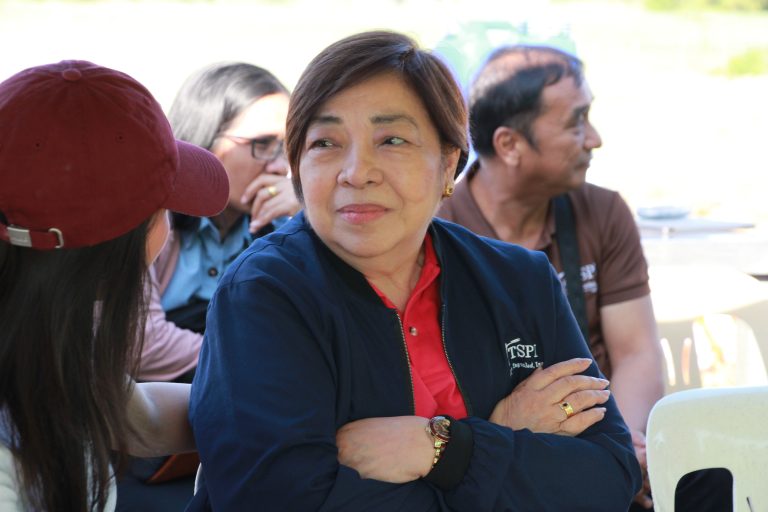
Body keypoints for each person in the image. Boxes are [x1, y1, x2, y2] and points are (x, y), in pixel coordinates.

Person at [188, 31, 642, 511]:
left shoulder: (520, 281)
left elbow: (609, 477)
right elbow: (280, 502)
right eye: (325, 142)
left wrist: (439, 447)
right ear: (297, 167)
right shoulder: (263, 294)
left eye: (392, 140)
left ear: (448, 164)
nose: (356, 171)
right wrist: (496, 441)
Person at [436, 44, 729, 511]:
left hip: (604, 437)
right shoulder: (438, 230)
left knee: (715, 477)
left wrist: (621, 449)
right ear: (509, 145)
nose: (594, 139)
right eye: (576, 122)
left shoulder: (603, 211)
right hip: (500, 451)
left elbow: (635, 352)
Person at [0, 60, 229, 511]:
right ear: (115, 247)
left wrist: (277, 402)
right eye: (164, 208)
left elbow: (142, 419)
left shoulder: (39, 333)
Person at [140, 62, 297, 383]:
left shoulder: (288, 225)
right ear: (206, 139)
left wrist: (310, 213)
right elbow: (140, 344)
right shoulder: (149, 218)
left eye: (286, 147)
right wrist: (259, 360)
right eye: (262, 144)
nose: (280, 167)